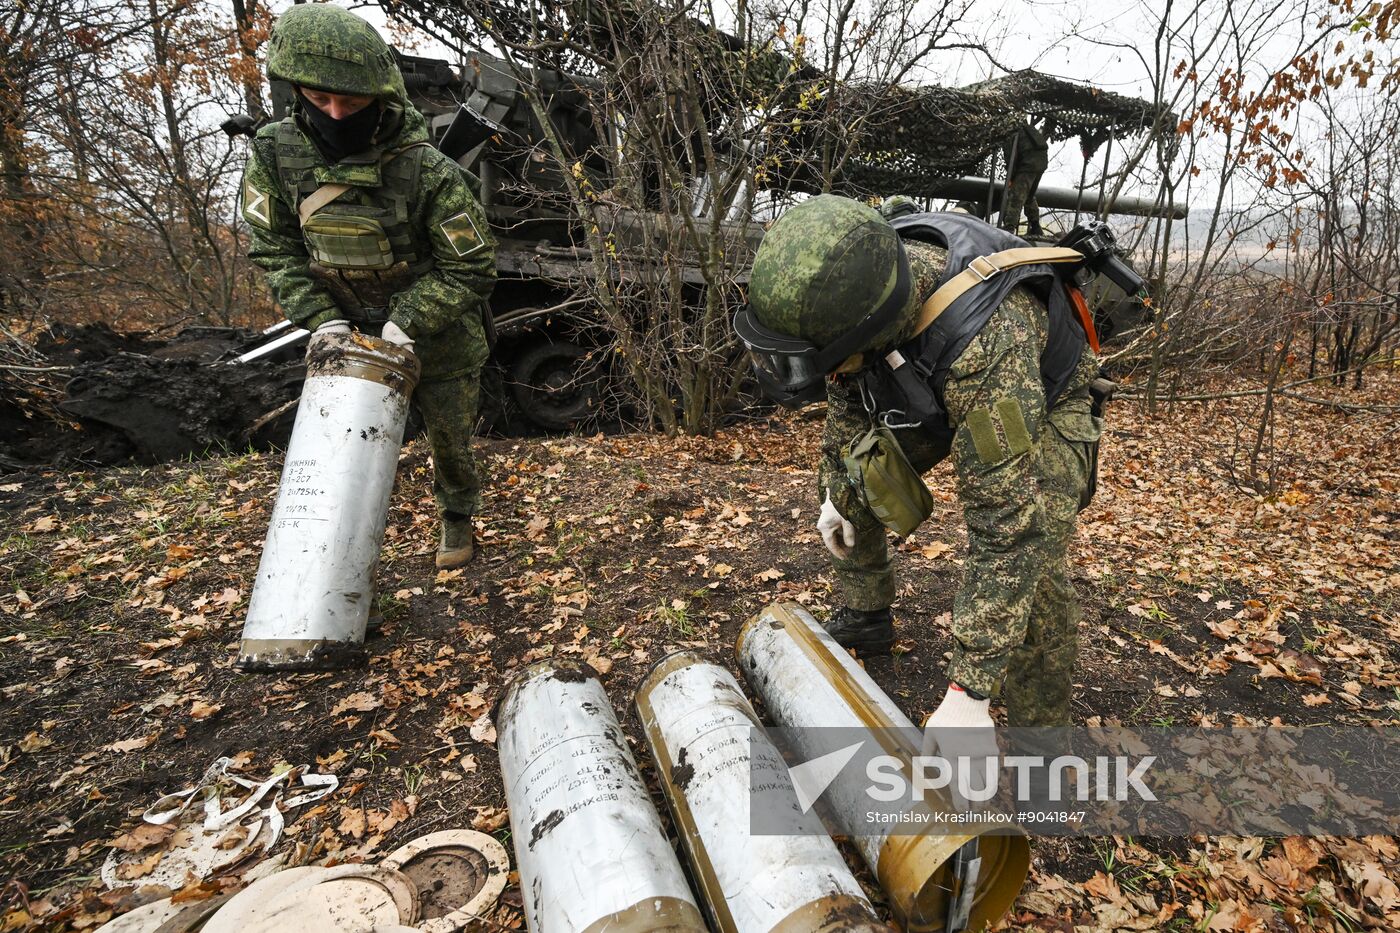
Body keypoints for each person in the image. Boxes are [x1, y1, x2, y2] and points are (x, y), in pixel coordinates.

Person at [735, 195, 1104, 731]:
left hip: (1044, 400)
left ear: (867, 337)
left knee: (1038, 568)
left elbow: (1006, 529)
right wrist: (840, 496)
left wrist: (969, 692)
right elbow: (849, 415)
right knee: (850, 474)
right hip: (925, 371)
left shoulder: (989, 348)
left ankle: (1041, 744)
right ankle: (867, 614)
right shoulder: (857, 310)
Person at [240, 3, 495, 569]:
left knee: (450, 441)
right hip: (343, 332)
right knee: (340, 445)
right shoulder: (275, 155)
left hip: (436, 334)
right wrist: (321, 319)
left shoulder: (427, 170)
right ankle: (336, 538)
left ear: (380, 97)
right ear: (296, 91)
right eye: (319, 99)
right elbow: (274, 247)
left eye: (351, 103)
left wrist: (409, 321)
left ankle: (457, 517)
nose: (335, 113)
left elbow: (472, 266)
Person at [1000, 118, 1048, 236]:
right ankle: (1035, 226)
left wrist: (1011, 177)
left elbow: (1010, 157)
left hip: (1028, 165)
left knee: (1016, 196)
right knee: (1028, 196)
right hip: (1040, 165)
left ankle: (1009, 228)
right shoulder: (1028, 129)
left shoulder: (1010, 132)